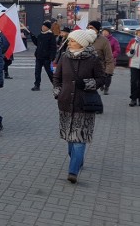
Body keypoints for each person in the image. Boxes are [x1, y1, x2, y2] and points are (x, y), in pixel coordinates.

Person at [52, 29, 103, 184]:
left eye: (73, 40)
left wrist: (88, 83)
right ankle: (77, 160)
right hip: (66, 102)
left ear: (82, 42)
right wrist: (58, 92)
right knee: (69, 139)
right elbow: (56, 77)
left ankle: (73, 171)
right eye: (70, 40)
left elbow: (101, 79)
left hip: (84, 103)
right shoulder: (64, 57)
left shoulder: (93, 59)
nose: (70, 42)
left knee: (79, 140)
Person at [87, 21, 115, 97]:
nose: (90, 30)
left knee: (92, 93)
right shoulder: (84, 38)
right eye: (88, 28)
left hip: (99, 69)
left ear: (97, 29)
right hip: (85, 69)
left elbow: (109, 57)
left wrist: (108, 71)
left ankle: (105, 87)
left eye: (92, 28)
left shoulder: (104, 41)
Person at [31, 20, 57, 91]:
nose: (43, 27)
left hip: (47, 58)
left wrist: (52, 57)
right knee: (37, 72)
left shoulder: (51, 36)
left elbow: (53, 47)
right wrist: (32, 36)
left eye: (45, 26)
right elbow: (37, 43)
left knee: (49, 72)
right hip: (39, 57)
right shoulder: (40, 35)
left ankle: (55, 85)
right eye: (42, 26)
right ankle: (37, 85)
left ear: (48, 28)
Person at [101, 28, 120, 95]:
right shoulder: (100, 40)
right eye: (103, 32)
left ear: (109, 33)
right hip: (101, 60)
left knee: (108, 74)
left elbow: (117, 50)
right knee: (101, 74)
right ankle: (101, 84)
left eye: (106, 32)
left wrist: (111, 56)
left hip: (110, 60)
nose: (104, 33)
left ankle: (106, 88)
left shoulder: (114, 40)